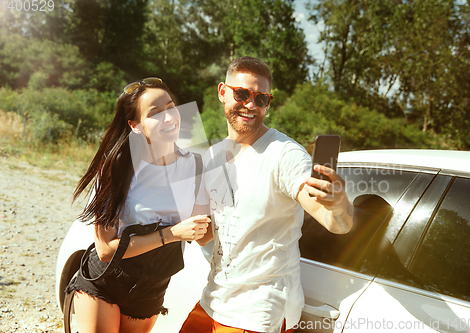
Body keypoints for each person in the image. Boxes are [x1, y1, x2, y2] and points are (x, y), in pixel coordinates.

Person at [179, 57, 354, 333]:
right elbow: (207, 234)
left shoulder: (285, 155)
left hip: (257, 314)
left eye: (261, 99)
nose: (250, 105)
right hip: (213, 300)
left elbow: (336, 223)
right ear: (223, 92)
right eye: (242, 94)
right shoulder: (214, 156)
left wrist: (339, 205)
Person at [65, 77, 211, 333]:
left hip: (151, 290)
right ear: (136, 125)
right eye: (155, 113)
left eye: (171, 106)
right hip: (106, 281)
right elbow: (105, 250)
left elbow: (202, 236)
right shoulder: (118, 167)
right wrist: (172, 234)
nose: (169, 117)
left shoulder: (196, 167)